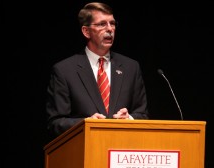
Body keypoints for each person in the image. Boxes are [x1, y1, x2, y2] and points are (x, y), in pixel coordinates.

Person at [46, 2, 149, 138]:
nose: (110, 29)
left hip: (123, 149)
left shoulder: (131, 67)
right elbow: (55, 123)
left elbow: (143, 115)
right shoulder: (65, 70)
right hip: (85, 149)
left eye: (112, 23)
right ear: (86, 31)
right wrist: (85, 124)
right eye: (102, 24)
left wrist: (129, 119)